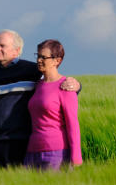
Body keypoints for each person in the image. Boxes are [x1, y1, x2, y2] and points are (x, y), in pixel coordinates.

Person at [0, 30, 78, 168]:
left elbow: (55, 85)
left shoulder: (32, 71)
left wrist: (76, 86)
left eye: (2, 45)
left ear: (17, 49)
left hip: (22, 145)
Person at [23, 39, 82, 170]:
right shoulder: (37, 85)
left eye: (43, 57)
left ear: (57, 60)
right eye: (38, 56)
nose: (39, 60)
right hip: (32, 152)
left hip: (56, 153)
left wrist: (76, 157)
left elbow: (73, 124)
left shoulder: (66, 86)